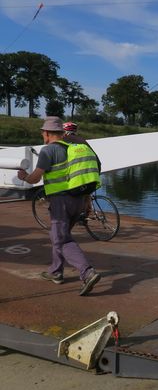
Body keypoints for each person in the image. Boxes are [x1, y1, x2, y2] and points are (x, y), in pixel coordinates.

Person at [17, 117, 102, 295]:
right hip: (78, 199)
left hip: (61, 202)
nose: (42, 136)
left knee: (61, 240)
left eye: (42, 133)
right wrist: (87, 202)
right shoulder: (72, 148)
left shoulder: (48, 151)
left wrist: (23, 176)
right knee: (59, 235)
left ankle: (87, 273)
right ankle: (56, 272)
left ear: (47, 134)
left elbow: (35, 178)